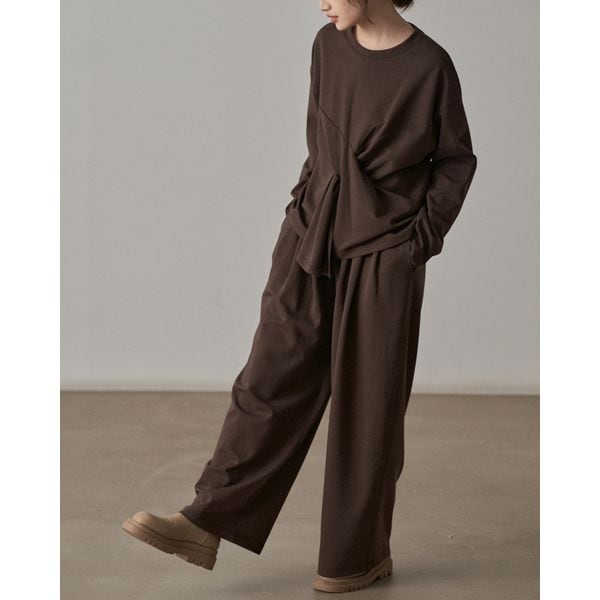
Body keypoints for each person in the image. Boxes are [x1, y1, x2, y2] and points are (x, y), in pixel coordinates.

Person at [122, 0, 477, 593]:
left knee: (368, 408)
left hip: (383, 253)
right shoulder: (326, 45)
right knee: (270, 376)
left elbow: (456, 161)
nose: (321, 2)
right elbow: (319, 147)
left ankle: (354, 558)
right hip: (311, 236)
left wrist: (415, 244)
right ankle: (205, 522)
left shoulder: (429, 66)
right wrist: (300, 211)